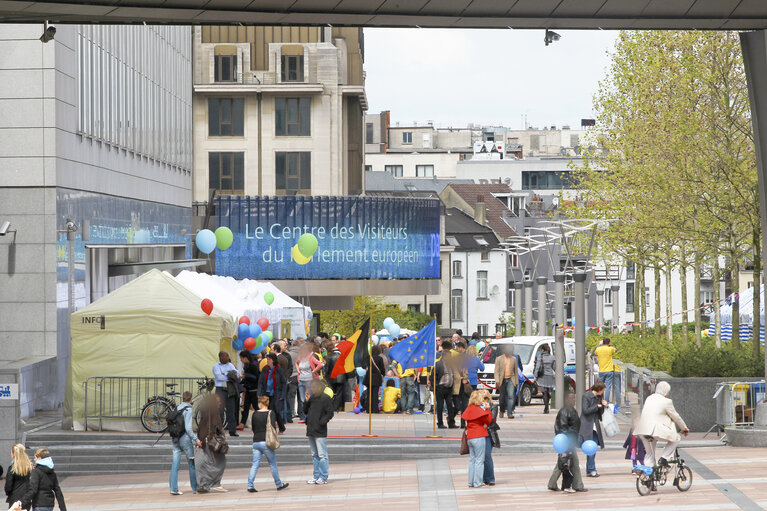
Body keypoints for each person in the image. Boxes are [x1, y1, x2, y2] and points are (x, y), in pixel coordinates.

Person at [633, 381, 689, 467]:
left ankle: (648, 477)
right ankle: (664, 458)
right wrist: (684, 428)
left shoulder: (649, 398)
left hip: (642, 429)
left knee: (649, 455)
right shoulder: (666, 401)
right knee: (676, 438)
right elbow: (676, 416)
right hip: (654, 430)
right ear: (666, 391)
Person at [247, 396, 290, 492]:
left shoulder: (255, 414)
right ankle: (278, 484)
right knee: (272, 464)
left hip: (256, 441)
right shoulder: (271, 413)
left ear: (261, 404)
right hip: (266, 442)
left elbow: (253, 428)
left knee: (255, 464)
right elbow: (273, 427)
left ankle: (250, 485)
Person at [548, 392, 586, 492]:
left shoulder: (571, 410)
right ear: (566, 400)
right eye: (571, 398)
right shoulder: (565, 411)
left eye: (574, 398)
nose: (573, 400)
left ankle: (552, 483)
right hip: (566, 442)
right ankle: (577, 485)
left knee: (562, 463)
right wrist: (565, 445)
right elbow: (562, 428)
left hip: (570, 441)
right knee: (570, 463)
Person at [304, 379, 335, 485]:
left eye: (313, 387)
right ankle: (316, 476)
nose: (312, 389)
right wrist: (306, 401)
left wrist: (322, 421)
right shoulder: (312, 398)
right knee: (314, 454)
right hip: (311, 429)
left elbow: (330, 412)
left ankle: (323, 476)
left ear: (319, 387)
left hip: (320, 430)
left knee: (322, 455)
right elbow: (305, 411)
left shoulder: (325, 398)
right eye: (311, 387)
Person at [196, 395, 228, 494]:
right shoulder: (214, 413)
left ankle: (203, 485)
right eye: (219, 403)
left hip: (203, 439)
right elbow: (217, 426)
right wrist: (222, 435)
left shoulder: (204, 411)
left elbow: (200, 426)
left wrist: (199, 438)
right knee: (220, 461)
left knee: (202, 463)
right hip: (211, 441)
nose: (220, 404)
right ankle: (215, 483)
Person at [169, 391, 199, 495]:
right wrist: (196, 440)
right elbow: (188, 428)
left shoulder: (177, 408)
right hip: (185, 440)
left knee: (175, 465)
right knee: (191, 464)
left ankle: (173, 489)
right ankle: (195, 488)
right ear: (191, 399)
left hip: (175, 439)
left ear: (182, 398)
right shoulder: (189, 409)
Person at [462, 390, 493, 488]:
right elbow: (488, 421)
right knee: (479, 460)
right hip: (479, 435)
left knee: (472, 460)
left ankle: (470, 482)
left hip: (470, 436)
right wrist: (487, 410)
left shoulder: (470, 408)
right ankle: (478, 482)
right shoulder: (479, 410)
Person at [579, 381, 606, 478]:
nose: (603, 392)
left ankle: (590, 469)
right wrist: (596, 406)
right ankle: (591, 469)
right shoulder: (586, 396)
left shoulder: (599, 397)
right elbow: (585, 410)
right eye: (602, 390)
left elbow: (600, 413)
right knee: (590, 448)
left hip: (595, 425)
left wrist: (603, 405)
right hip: (587, 425)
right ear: (598, 390)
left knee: (593, 448)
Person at [258, 353, 287, 433]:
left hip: (276, 392)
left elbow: (284, 382)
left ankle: (275, 428)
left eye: (269, 359)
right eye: (267, 359)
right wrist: (259, 392)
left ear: (273, 360)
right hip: (266, 392)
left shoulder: (279, 369)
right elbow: (260, 381)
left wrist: (283, 394)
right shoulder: (265, 369)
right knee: (270, 411)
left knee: (274, 410)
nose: (267, 361)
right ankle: (277, 428)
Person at [212, 351, 239, 437]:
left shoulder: (230, 365)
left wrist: (227, 375)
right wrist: (229, 375)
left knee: (231, 409)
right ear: (221, 357)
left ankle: (232, 430)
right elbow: (219, 377)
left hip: (230, 389)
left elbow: (237, 374)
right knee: (220, 410)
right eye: (226, 356)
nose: (228, 358)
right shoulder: (216, 366)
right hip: (220, 389)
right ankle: (219, 430)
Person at [295, 344, 324, 421]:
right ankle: (305, 417)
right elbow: (296, 363)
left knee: (310, 398)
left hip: (309, 381)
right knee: (302, 399)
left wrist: (313, 371)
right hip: (301, 380)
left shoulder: (311, 357)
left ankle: (310, 416)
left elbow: (320, 364)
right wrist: (298, 371)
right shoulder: (300, 357)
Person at [433, 340, 457, 429]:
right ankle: (440, 423)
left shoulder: (451, 364)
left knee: (450, 406)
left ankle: (451, 423)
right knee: (440, 406)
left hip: (449, 387)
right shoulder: (438, 364)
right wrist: (435, 386)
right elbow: (433, 376)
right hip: (441, 387)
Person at [493, 346, 518, 419]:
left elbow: (515, 372)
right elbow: (496, 371)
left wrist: (516, 382)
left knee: (511, 396)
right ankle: (501, 411)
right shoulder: (499, 359)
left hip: (511, 379)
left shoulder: (513, 359)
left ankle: (509, 413)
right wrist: (497, 380)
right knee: (502, 397)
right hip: (502, 380)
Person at [239, 351, 260, 430]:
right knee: (246, 407)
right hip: (248, 389)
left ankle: (261, 422)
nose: (241, 360)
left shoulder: (253, 365)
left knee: (256, 408)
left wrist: (244, 377)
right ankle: (242, 424)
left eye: (241, 358)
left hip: (253, 390)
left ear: (245, 358)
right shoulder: (247, 365)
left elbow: (255, 377)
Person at [482, 390, 498, 486]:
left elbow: (492, 420)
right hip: (480, 433)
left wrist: (486, 410)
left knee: (487, 455)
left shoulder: (493, 406)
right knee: (481, 456)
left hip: (489, 433)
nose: (483, 400)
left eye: (485, 398)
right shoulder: (478, 406)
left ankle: (490, 478)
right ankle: (484, 477)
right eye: (482, 398)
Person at [594, 338, 618, 404]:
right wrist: (611, 346)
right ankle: (606, 401)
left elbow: (595, 353)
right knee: (607, 387)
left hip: (601, 370)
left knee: (600, 387)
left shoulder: (598, 349)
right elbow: (616, 350)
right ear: (609, 343)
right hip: (609, 370)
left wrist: (600, 345)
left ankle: (599, 400)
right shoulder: (610, 349)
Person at [533, 344, 556, 414]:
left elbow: (537, 366)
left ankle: (546, 407)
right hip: (550, 376)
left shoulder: (540, 357)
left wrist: (535, 375)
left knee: (544, 392)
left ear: (543, 350)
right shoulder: (552, 357)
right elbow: (555, 367)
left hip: (542, 376)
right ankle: (546, 406)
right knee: (547, 392)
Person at [368, 345, 386, 414]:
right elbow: (382, 369)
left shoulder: (369, 358)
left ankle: (369, 408)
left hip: (369, 377)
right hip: (376, 378)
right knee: (375, 394)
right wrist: (383, 374)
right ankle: (375, 409)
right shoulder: (379, 358)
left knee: (369, 393)